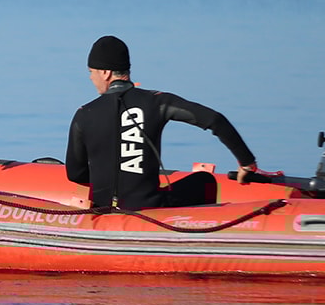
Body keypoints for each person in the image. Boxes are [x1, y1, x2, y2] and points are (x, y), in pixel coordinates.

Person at [65, 35, 260, 210]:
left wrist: (107, 174)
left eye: (92, 71)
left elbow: (75, 174)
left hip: (103, 212)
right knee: (204, 180)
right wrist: (247, 164)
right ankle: (200, 234)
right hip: (151, 210)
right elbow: (215, 120)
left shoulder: (84, 114)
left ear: (105, 73)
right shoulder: (156, 102)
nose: (91, 77)